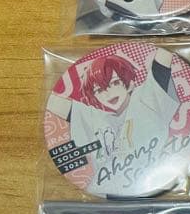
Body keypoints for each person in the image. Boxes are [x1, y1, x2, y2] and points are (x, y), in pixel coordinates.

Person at [47, 49, 182, 196]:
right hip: (106, 191)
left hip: (154, 182)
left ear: (130, 84)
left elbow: (161, 63)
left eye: (115, 83)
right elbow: (58, 105)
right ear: (95, 97)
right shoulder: (96, 118)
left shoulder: (146, 99)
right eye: (99, 90)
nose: (109, 94)